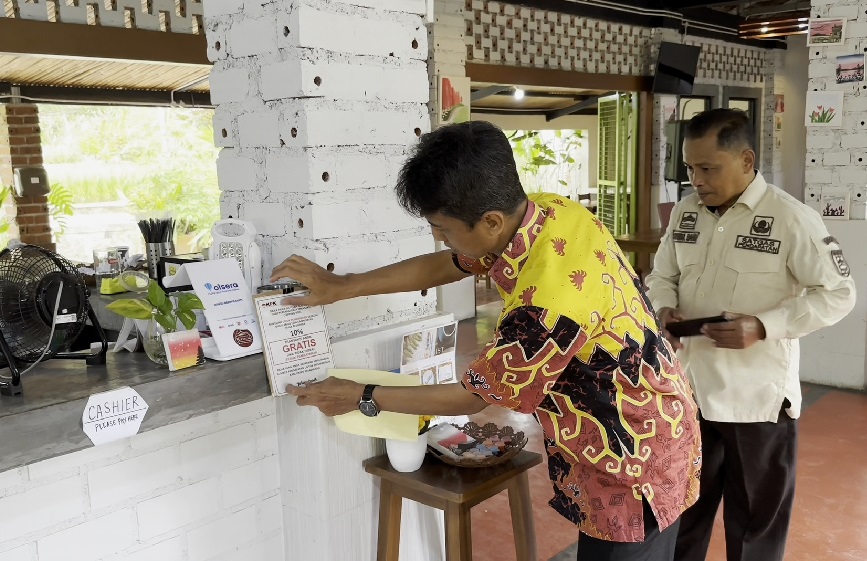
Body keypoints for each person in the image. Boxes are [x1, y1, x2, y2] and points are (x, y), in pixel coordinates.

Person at [272, 121, 701, 561]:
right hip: (652, 419)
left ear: (491, 221)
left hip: (632, 457)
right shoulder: (550, 212)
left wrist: (363, 396)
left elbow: (472, 397)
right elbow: (450, 264)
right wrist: (343, 286)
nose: (439, 237)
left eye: (442, 227)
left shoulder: (546, 309)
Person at [645, 108, 856, 561]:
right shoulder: (686, 212)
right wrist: (663, 306)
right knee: (685, 518)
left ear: (745, 160)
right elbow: (660, 275)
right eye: (689, 168)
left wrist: (764, 326)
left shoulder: (790, 218)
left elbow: (838, 294)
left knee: (754, 529)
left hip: (757, 402)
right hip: (692, 394)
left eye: (708, 168)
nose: (697, 180)